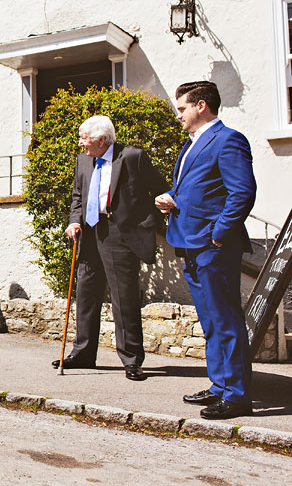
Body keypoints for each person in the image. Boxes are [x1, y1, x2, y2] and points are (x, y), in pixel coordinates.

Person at [155, 81, 256, 420]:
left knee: (226, 319)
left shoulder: (229, 140)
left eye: (181, 108)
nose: (178, 115)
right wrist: (173, 198)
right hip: (190, 243)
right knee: (211, 321)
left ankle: (238, 396)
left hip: (214, 246)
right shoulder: (191, 145)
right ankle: (220, 385)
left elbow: (241, 192)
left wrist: (219, 234)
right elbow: (198, 188)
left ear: (201, 106)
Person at [54, 116, 169, 381]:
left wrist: (145, 220)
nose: (80, 143)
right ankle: (83, 353)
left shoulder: (132, 157)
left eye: (85, 138)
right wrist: (74, 221)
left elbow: (160, 190)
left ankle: (131, 359)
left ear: (102, 140)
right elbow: (77, 195)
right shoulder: (84, 160)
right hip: (90, 233)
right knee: (86, 294)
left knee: (123, 297)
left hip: (119, 233)